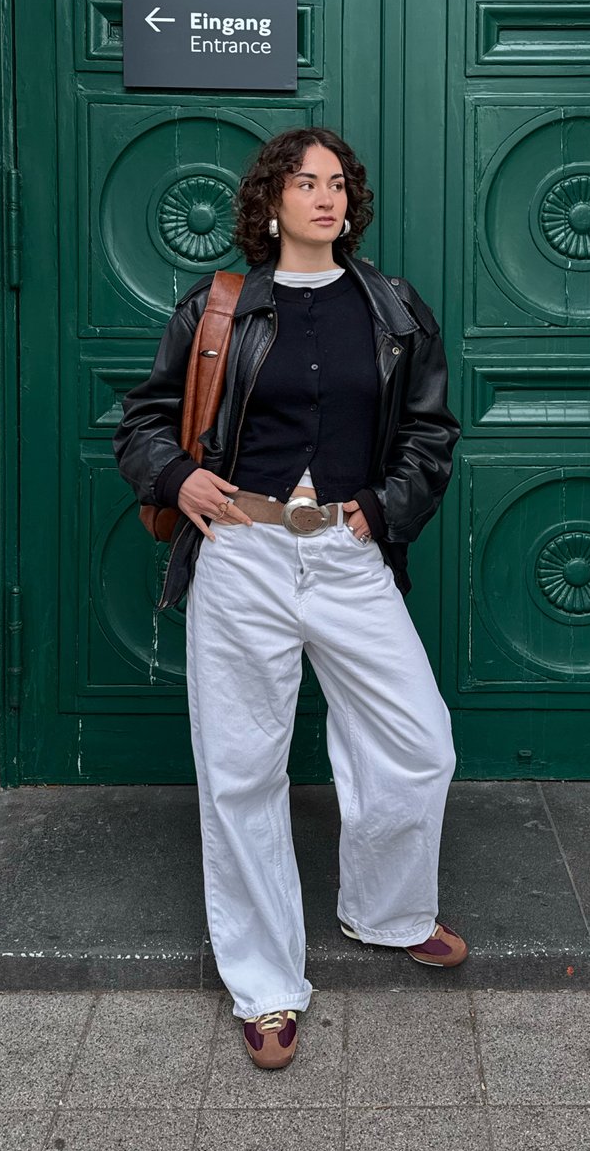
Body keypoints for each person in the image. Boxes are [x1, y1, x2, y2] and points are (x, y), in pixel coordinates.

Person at [113, 126, 464, 1070]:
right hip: (245, 552)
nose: (326, 197)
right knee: (241, 770)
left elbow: (431, 434)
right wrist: (177, 477)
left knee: (418, 739)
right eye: (306, 182)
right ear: (272, 201)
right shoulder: (218, 307)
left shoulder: (392, 307)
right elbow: (144, 420)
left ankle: (387, 911)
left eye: (339, 183)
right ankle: (266, 986)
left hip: (348, 557)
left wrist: (385, 509)